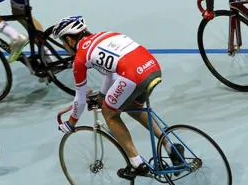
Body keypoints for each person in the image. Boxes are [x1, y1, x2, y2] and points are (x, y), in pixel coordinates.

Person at [52, 16, 183, 180]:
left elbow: (80, 98)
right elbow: (110, 72)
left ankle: (136, 163)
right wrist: (102, 95)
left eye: (64, 44)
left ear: (70, 40)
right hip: (152, 66)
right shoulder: (104, 35)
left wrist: (71, 123)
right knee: (132, 106)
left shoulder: (80, 58)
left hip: (132, 76)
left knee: (110, 114)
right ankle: (171, 147)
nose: (65, 48)